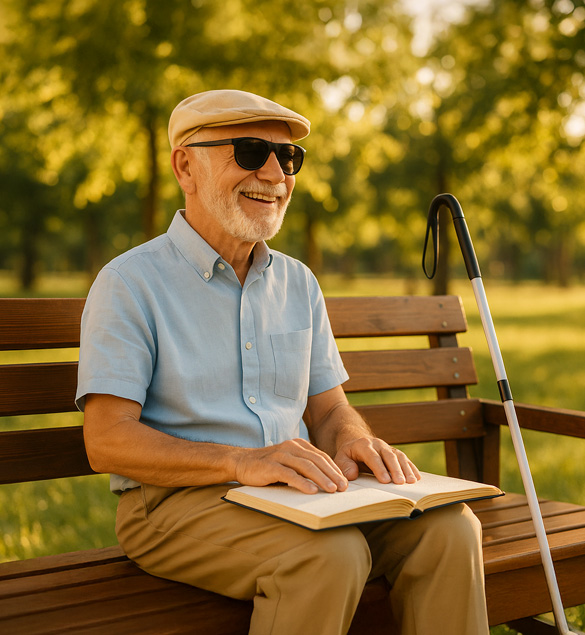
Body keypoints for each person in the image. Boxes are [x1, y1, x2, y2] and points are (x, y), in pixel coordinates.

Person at [77, 89, 490, 635]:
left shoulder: (299, 281)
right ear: (185, 166)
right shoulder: (129, 283)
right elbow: (106, 440)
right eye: (249, 151)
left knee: (452, 530)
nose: (274, 173)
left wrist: (350, 438)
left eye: (288, 157)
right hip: (175, 506)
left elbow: (329, 409)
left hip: (299, 495)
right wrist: (241, 462)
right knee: (329, 556)